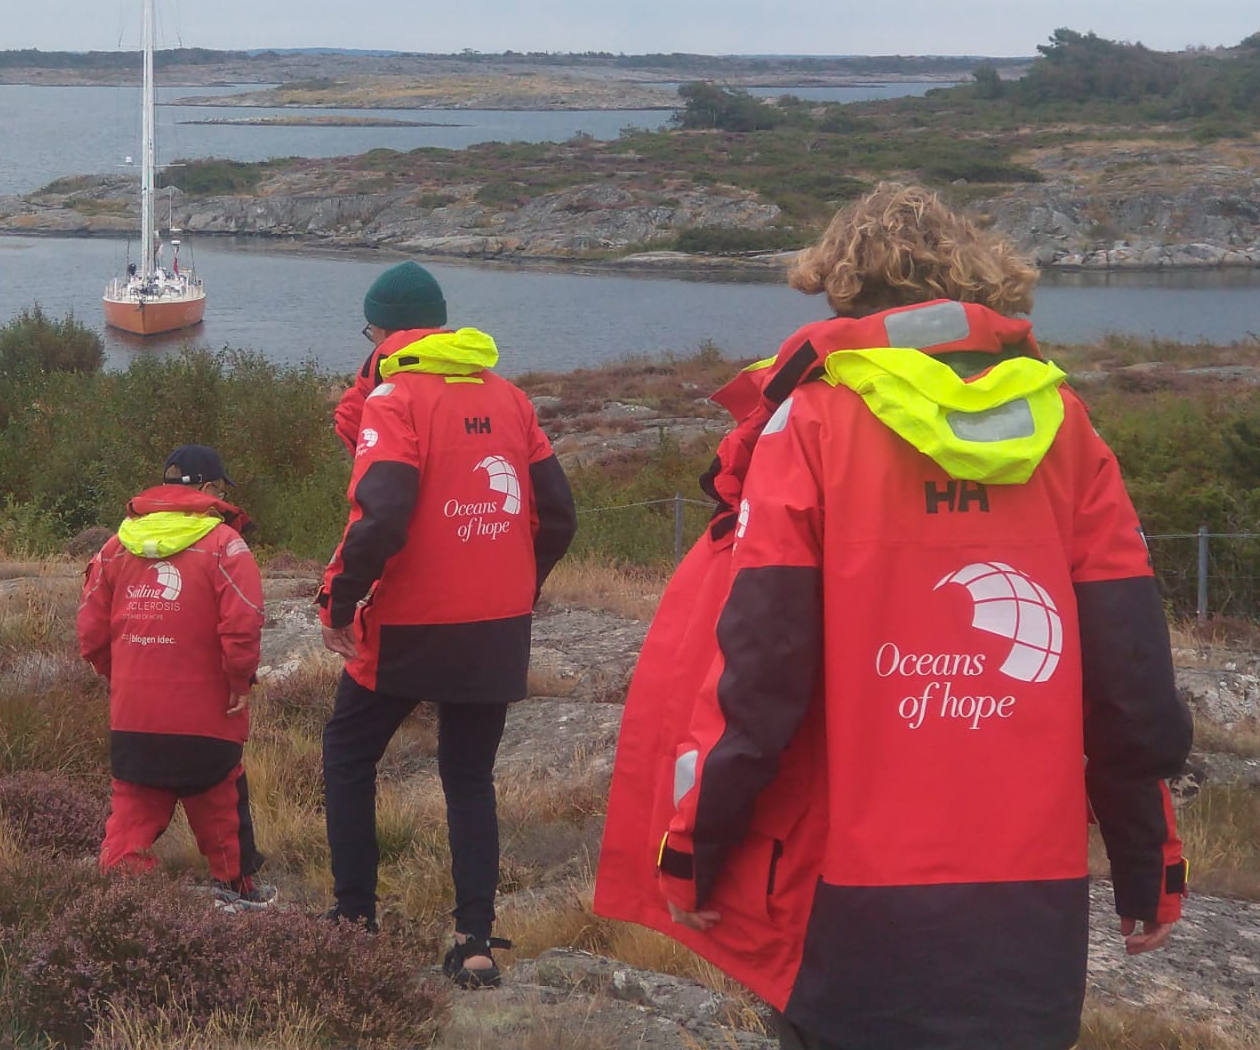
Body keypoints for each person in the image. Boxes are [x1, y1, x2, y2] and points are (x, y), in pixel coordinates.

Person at [595, 184, 1192, 1050]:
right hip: (1034, 906)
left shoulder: (813, 420)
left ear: (841, 286)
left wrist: (695, 847)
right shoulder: (1063, 423)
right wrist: (1149, 868)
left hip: (852, 903)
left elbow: (761, 671)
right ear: (977, 275)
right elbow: (1129, 680)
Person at [319, 260, 578, 987]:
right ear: (439, 323)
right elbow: (557, 515)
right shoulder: (510, 397)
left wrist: (341, 605)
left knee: (347, 752)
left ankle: (354, 918)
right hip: (495, 625)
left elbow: (383, 516)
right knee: (468, 776)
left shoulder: (395, 398)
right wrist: (519, 586)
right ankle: (474, 943)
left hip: (411, 625)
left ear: (377, 329)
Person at [77, 444, 274, 908]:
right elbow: (243, 624)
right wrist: (237, 683)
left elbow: (90, 633)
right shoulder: (227, 546)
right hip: (207, 714)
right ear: (209, 490)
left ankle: (126, 900)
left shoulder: (113, 548)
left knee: (133, 808)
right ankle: (236, 888)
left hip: (134, 716)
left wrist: (121, 675)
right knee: (220, 796)